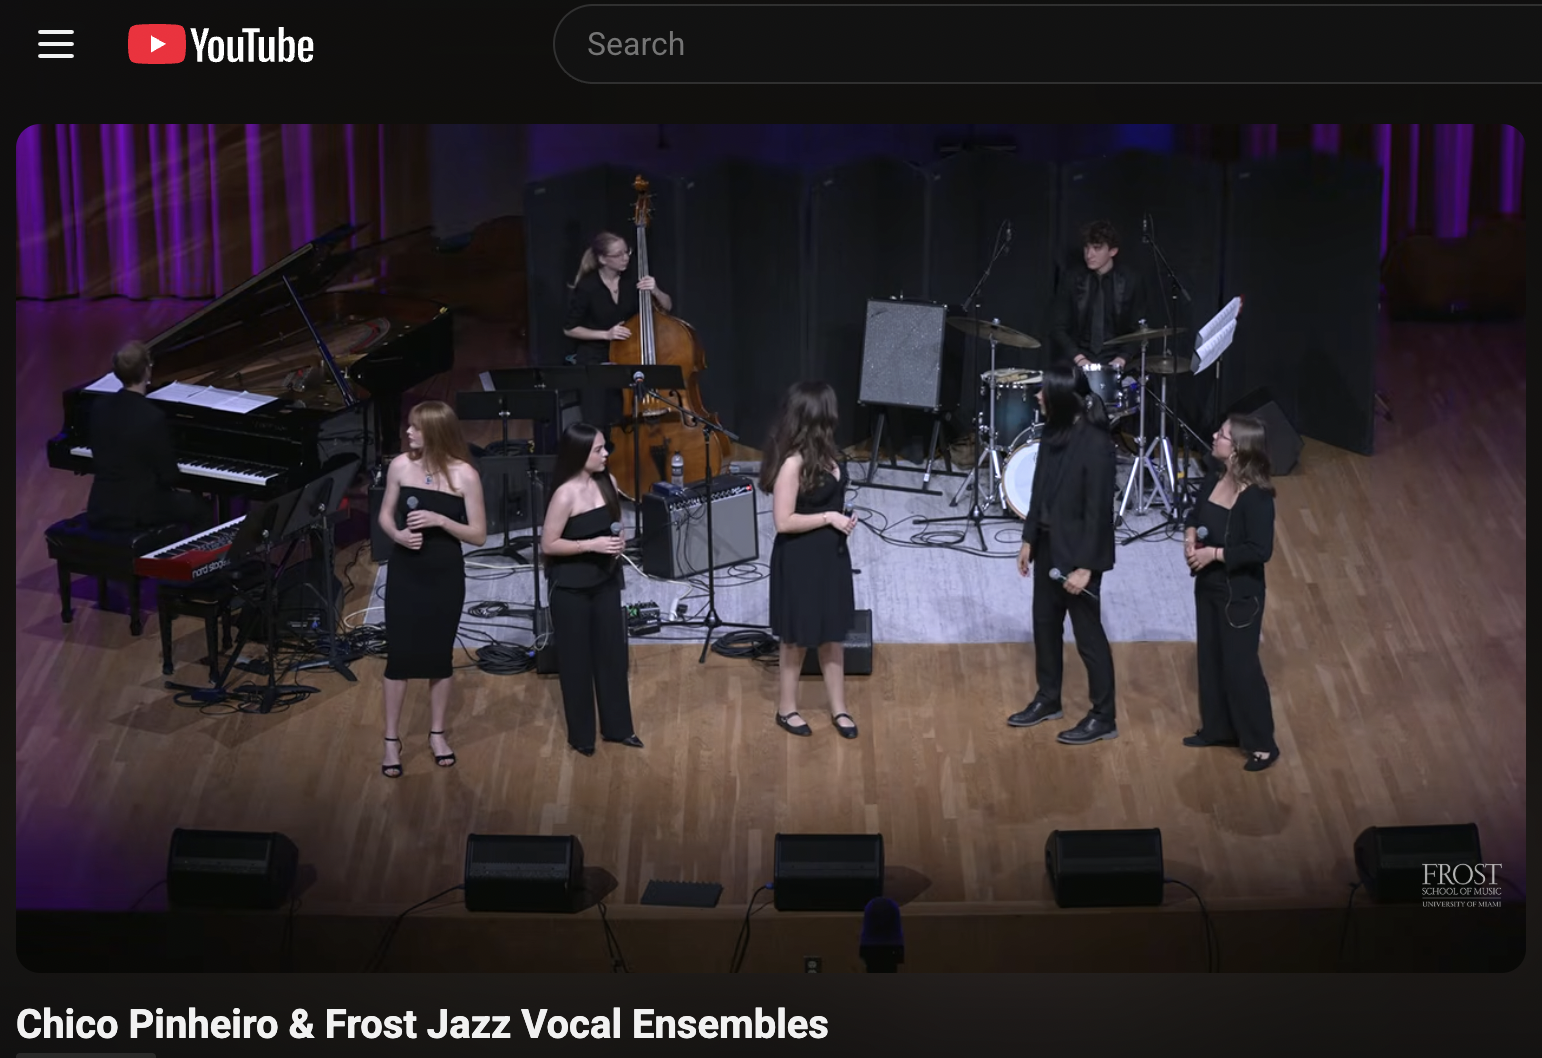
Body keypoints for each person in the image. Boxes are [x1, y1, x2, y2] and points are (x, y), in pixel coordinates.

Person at [1009, 362, 1118, 745]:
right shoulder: (1053, 432)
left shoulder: (1096, 444)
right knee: (1044, 625)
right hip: (1049, 548)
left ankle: (1104, 716)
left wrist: (1087, 567)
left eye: (1043, 391)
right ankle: (1048, 698)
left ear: (1060, 397)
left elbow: (1100, 515)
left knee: (1088, 638)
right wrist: (1028, 539)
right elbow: (1041, 489)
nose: (1037, 395)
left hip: (1080, 556)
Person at [377, 400, 487, 778]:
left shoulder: (465, 476)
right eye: (408, 425)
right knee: (400, 657)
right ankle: (391, 740)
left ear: (436, 432)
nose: (408, 432)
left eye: (415, 427)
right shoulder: (400, 465)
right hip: (407, 568)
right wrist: (399, 535)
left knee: (440, 655)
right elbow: (385, 516)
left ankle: (437, 734)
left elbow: (479, 534)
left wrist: (442, 519)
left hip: (444, 570)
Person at [760, 381, 859, 739]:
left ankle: (840, 709)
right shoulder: (793, 463)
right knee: (796, 638)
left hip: (830, 557)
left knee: (833, 635)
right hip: (800, 559)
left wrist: (842, 517)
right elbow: (783, 521)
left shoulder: (829, 455)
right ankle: (786, 708)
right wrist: (829, 518)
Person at [1182, 413, 1280, 771]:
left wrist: (1215, 554)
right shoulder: (1213, 477)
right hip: (1207, 586)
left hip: (1239, 595)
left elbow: (1259, 550)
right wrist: (1190, 536)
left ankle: (1262, 743)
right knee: (1209, 659)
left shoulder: (1257, 498)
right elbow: (1194, 514)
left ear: (1237, 449)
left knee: (1241, 668)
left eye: (1222, 434)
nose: (1214, 436)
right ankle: (1217, 729)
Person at [541, 421, 642, 756]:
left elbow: (615, 526)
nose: (605, 454)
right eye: (598, 449)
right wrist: (592, 545)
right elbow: (549, 544)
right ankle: (582, 736)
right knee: (576, 662)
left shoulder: (608, 482)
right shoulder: (565, 494)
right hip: (571, 589)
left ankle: (618, 728)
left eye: (604, 447)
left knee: (612, 657)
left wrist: (617, 541)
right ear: (579, 453)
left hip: (605, 583)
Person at [561, 231, 674, 449]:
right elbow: (570, 329)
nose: (625, 258)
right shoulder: (588, 287)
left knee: (622, 417)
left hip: (626, 356)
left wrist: (656, 290)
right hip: (595, 360)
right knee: (597, 422)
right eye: (619, 254)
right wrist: (606, 334)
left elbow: (667, 308)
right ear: (603, 259)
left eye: (627, 252)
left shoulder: (633, 280)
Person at [85, 340, 213, 532]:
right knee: (201, 510)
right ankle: (192, 559)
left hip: (102, 502)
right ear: (147, 370)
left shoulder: (99, 407)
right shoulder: (152, 417)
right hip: (139, 509)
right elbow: (169, 476)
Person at [1047, 220, 1152, 411]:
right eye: (1087, 247)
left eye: (1096, 248)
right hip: (1079, 357)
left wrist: (1122, 358)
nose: (1089, 254)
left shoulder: (1131, 281)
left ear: (1113, 251)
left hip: (1117, 360)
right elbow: (1058, 328)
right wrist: (1079, 359)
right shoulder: (1072, 279)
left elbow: (1140, 330)